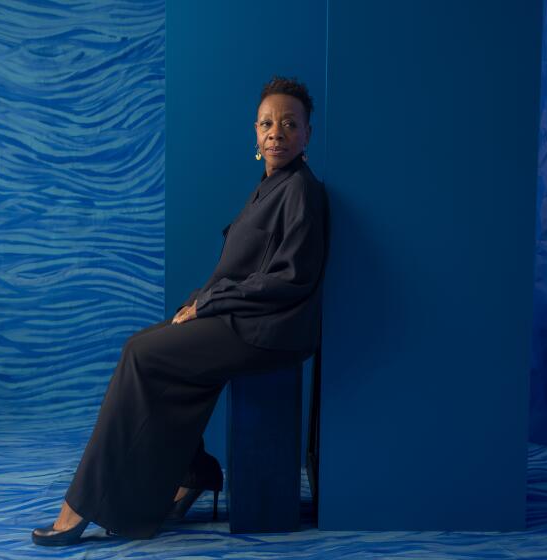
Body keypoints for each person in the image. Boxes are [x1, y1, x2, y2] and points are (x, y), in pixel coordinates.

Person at [30, 75, 329, 546]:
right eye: (268, 123)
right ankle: (195, 473)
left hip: (270, 329)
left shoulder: (302, 191)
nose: (277, 132)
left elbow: (291, 279)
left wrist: (208, 303)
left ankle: (83, 504)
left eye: (290, 124)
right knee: (150, 347)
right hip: (244, 318)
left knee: (142, 355)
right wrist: (195, 303)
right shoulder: (267, 187)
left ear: (308, 133)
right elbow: (237, 269)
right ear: (255, 131)